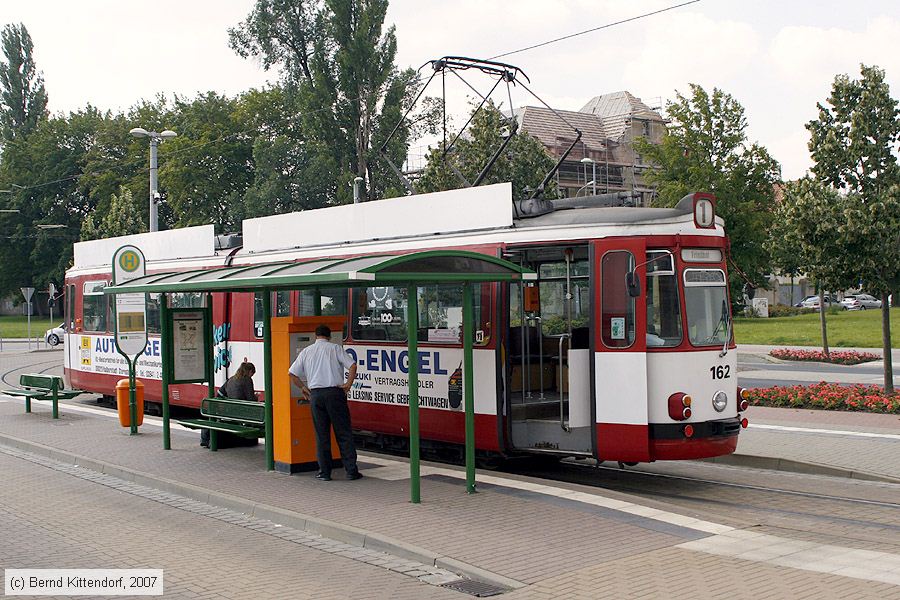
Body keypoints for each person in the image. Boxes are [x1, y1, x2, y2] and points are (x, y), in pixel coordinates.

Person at [288, 324, 361, 481]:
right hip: (335, 394)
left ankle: (324, 473)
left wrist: (303, 388)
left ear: (316, 336)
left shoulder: (306, 352)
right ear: (329, 336)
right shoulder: (335, 349)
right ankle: (351, 471)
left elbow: (292, 373)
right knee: (344, 433)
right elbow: (353, 366)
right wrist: (348, 384)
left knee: (322, 436)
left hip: (316, 395)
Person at [201, 361, 258, 448]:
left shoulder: (231, 379)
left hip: (230, 411)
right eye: (252, 373)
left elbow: (219, 393)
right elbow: (251, 399)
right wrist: (256, 397)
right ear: (249, 371)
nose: (252, 376)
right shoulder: (247, 380)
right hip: (241, 412)